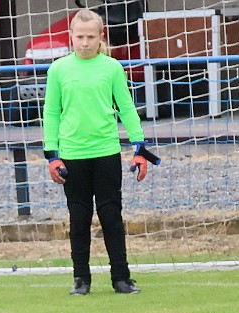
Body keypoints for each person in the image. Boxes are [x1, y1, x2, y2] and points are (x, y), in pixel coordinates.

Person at [43, 8, 155, 295]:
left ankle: (121, 277)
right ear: (71, 37)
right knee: (78, 218)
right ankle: (81, 279)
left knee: (111, 216)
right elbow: (52, 113)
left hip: (106, 152)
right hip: (72, 156)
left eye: (90, 37)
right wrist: (52, 155)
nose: (85, 42)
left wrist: (139, 147)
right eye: (79, 36)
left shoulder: (112, 68)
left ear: (100, 37)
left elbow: (127, 109)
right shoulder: (58, 69)